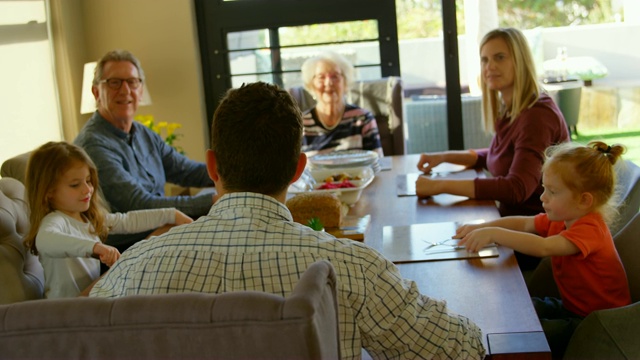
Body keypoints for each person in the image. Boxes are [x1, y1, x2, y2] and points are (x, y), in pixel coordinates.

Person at [90, 82, 485, 359]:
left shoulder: (132, 270)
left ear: (212, 166)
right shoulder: (352, 269)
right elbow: (462, 350)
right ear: (298, 170)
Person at [454, 141, 631, 358]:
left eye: (552, 192)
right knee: (513, 308)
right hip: (570, 308)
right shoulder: (563, 217)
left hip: (593, 323)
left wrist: (494, 234)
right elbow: (524, 223)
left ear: (584, 200)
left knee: (523, 337)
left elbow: (544, 247)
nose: (542, 197)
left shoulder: (591, 229)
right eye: (544, 188)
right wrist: (482, 226)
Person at [415, 28, 570, 218]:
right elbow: (501, 155)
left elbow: (516, 189)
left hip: (538, 236)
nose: (490, 66)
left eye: (500, 57)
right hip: (514, 224)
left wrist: (439, 185)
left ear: (520, 61)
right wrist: (443, 157)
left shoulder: (536, 116)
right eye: (485, 60)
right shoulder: (512, 108)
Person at [74, 49, 214, 252]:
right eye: (114, 82)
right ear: (96, 92)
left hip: (160, 229)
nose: (125, 90)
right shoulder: (93, 145)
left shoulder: (143, 133)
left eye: (132, 82)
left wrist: (229, 174)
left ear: (140, 90)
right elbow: (140, 204)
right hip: (125, 248)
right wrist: (212, 200)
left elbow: (185, 170)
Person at [22, 141, 193, 299]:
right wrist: (95, 248)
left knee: (164, 240)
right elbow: (45, 240)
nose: (87, 189)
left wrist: (171, 214)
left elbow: (127, 221)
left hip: (94, 294)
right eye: (75, 185)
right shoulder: (55, 221)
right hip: (69, 310)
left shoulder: (86, 218)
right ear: (49, 191)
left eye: (88, 181)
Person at [299, 51, 384, 156]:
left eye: (335, 76)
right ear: (311, 84)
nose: (329, 83)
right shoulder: (301, 124)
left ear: (345, 82)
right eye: (321, 77)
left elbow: (378, 162)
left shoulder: (362, 118)